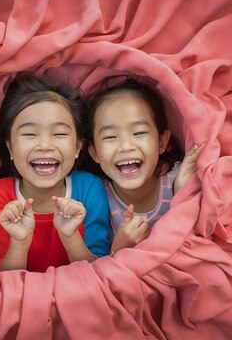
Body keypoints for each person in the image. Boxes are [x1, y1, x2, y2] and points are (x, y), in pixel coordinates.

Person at [0, 74, 111, 275]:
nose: (44, 146)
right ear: (10, 148)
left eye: (59, 134)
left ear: (78, 147)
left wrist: (70, 236)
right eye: (29, 134)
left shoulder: (89, 188)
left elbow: (99, 269)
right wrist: (20, 242)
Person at [87, 77, 203, 255]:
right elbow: (94, 272)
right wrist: (119, 250)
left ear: (162, 142)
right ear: (95, 152)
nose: (126, 146)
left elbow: (200, 239)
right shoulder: (95, 196)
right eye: (110, 137)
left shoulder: (178, 179)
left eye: (139, 132)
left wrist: (183, 197)